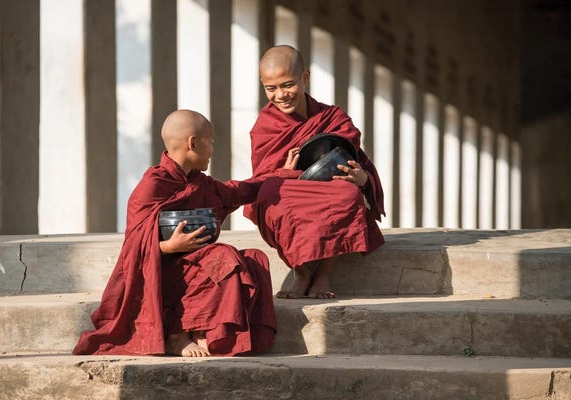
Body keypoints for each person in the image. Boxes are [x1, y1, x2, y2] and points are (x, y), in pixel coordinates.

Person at [73, 110, 277, 357]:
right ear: (193, 143)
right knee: (222, 254)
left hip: (194, 266)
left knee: (254, 259)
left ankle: (206, 332)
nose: (212, 149)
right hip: (159, 276)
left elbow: (238, 191)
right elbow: (132, 250)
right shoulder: (154, 184)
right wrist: (168, 247)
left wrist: (282, 174)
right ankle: (177, 335)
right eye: (210, 141)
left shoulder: (199, 182)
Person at [244, 45, 385, 299]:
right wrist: (284, 171)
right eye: (271, 88)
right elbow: (260, 179)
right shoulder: (265, 126)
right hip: (291, 190)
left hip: (330, 187)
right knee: (269, 198)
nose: (281, 95)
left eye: (288, 85)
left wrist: (362, 179)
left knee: (348, 196)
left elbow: (354, 161)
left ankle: (323, 274)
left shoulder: (332, 117)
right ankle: (302, 272)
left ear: (305, 78)